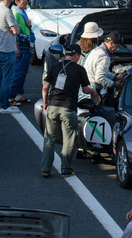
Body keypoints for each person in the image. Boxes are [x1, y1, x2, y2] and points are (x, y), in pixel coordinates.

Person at [41, 44, 100, 178]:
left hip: (52, 106)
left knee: (49, 138)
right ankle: (65, 169)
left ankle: (45, 169)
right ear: (75, 55)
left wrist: (46, 102)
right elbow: (85, 90)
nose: (79, 58)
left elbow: (45, 87)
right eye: (79, 56)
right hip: (68, 107)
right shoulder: (79, 69)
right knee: (69, 138)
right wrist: (93, 92)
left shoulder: (55, 67)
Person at [0, 0, 20, 114]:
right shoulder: (7, 11)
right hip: (7, 49)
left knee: (0, 77)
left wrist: (12, 28)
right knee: (7, 79)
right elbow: (16, 30)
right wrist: (16, 27)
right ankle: (4, 105)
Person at [9, 0, 34, 105]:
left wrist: (29, 25)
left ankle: (18, 95)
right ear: (17, 1)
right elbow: (14, 32)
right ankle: (11, 96)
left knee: (23, 72)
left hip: (26, 45)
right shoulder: (15, 13)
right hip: (21, 45)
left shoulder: (22, 11)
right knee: (19, 71)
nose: (26, 0)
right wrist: (16, 47)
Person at [83, 31, 124, 97]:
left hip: (86, 88)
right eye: (117, 46)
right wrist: (114, 84)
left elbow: (100, 71)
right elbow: (99, 78)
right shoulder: (104, 57)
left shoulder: (96, 50)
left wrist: (115, 78)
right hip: (93, 92)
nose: (117, 49)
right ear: (111, 43)